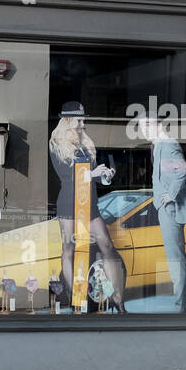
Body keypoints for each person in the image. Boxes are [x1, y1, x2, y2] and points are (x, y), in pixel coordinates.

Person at [48, 102, 127, 312]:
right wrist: (91, 174)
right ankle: (76, 299)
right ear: (67, 120)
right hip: (69, 202)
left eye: (84, 119)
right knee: (69, 249)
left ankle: (118, 301)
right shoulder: (56, 142)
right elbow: (65, 175)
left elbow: (93, 178)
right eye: (80, 120)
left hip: (89, 202)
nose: (83, 124)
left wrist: (104, 176)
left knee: (108, 246)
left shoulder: (87, 143)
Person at [140, 115, 186, 312]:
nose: (144, 130)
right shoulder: (160, 145)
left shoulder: (168, 144)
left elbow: (182, 170)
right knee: (175, 259)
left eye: (148, 126)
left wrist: (169, 195)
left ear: (158, 125)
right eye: (141, 127)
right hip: (166, 208)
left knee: (176, 260)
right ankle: (183, 307)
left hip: (171, 209)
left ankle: (182, 309)